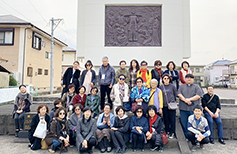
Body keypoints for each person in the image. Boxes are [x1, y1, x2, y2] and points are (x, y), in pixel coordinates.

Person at [177, 74, 203, 138]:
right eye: (187, 78)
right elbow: (179, 94)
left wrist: (189, 99)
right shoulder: (181, 86)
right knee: (184, 123)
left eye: (191, 78)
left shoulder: (197, 86)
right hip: (183, 108)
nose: (189, 79)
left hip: (193, 109)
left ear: (193, 79)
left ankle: (195, 137)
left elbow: (198, 95)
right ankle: (187, 136)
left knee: (194, 123)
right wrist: (185, 100)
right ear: (185, 79)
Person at [159, 74, 177, 139]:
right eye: (164, 78)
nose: (166, 80)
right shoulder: (161, 87)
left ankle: (172, 132)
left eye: (167, 78)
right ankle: (167, 131)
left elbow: (175, 95)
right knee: (166, 119)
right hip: (164, 105)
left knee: (172, 119)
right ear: (163, 80)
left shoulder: (172, 86)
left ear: (169, 79)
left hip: (171, 105)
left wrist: (172, 100)